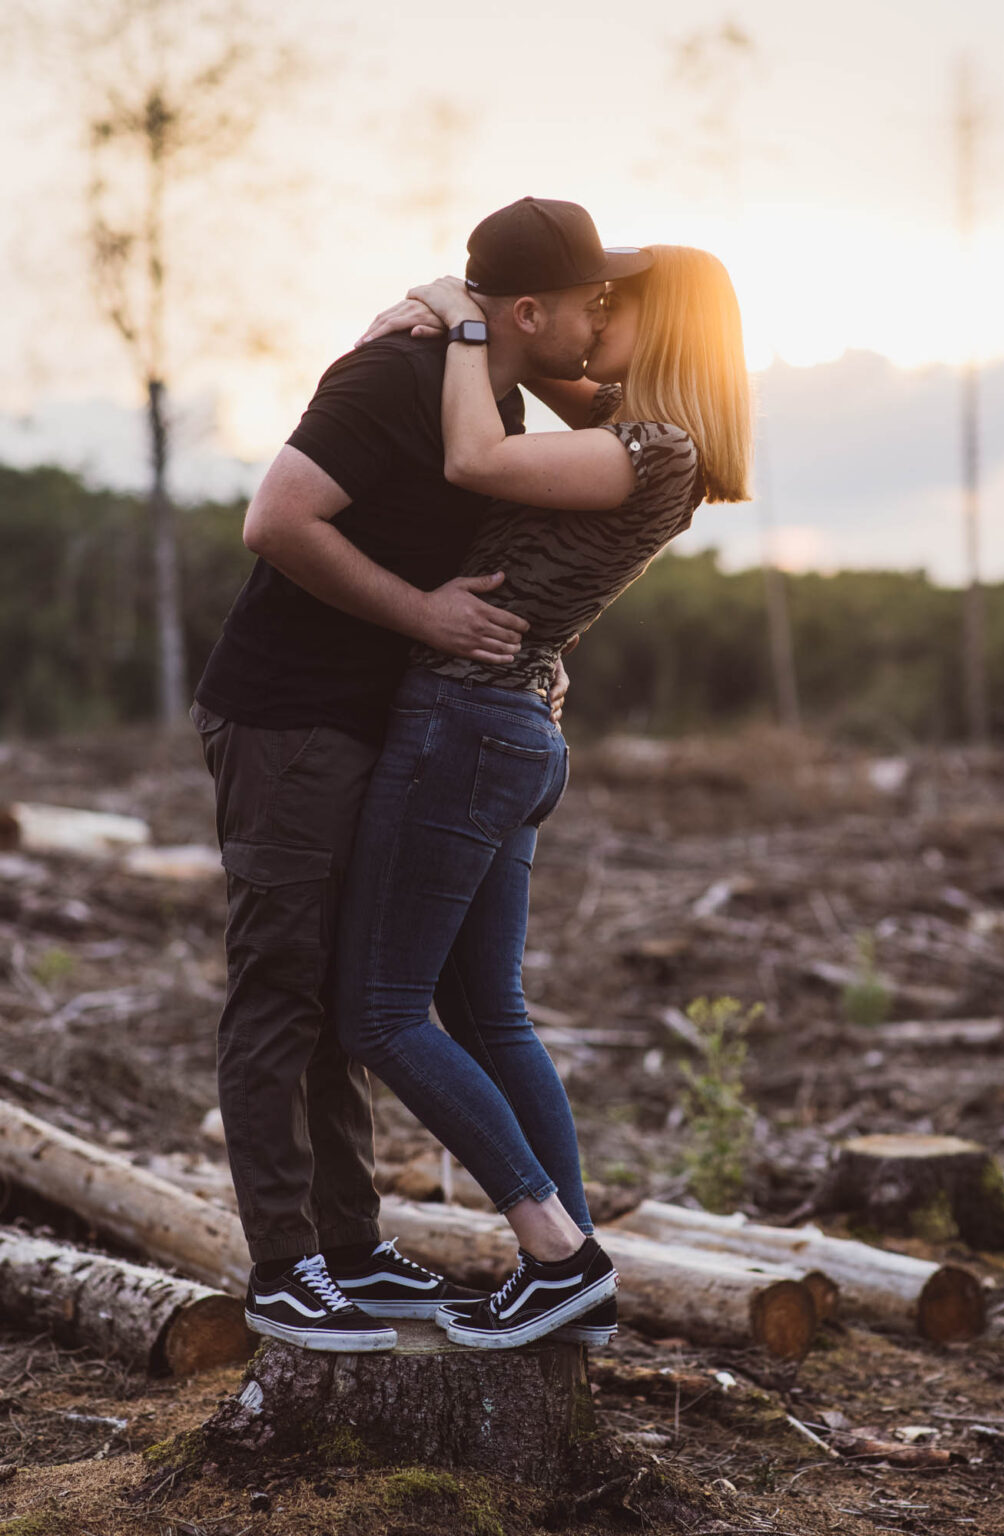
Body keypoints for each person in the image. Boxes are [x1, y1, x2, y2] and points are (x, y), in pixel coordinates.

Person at [190, 197, 650, 1351]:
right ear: (530, 308)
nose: (601, 316)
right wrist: (426, 618)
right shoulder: (392, 377)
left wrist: (462, 314)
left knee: (347, 995)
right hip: (289, 714)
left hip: (374, 723)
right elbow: (276, 518)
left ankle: (349, 1248)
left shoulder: (480, 381)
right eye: (585, 299)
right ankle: (284, 1267)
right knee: (280, 985)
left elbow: (630, 403)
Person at [335, 242, 752, 1349]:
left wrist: (463, 323)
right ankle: (561, 1277)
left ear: (658, 331)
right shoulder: (648, 434)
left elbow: (474, 454)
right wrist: (456, 307)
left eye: (613, 305)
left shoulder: (648, 451)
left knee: (377, 1010)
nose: (590, 313)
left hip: (466, 725)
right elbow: (536, 354)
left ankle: (559, 1256)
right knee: (486, 1012)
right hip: (508, 729)